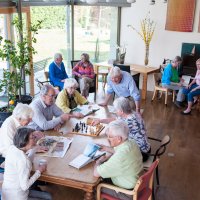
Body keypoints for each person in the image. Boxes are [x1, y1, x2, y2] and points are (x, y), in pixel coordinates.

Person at [93, 120, 143, 200]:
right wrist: (106, 148)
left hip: (127, 193)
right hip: (139, 185)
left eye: (109, 136)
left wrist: (98, 162)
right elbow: (119, 151)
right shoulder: (132, 143)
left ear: (119, 139)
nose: (108, 139)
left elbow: (96, 173)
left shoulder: (119, 157)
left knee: (94, 185)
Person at [92, 97, 150, 161]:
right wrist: (100, 120)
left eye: (116, 110)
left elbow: (110, 133)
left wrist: (108, 132)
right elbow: (115, 120)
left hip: (141, 154)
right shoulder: (133, 113)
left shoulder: (128, 122)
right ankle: (106, 149)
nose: (115, 111)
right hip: (147, 148)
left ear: (121, 111)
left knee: (116, 142)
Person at [2, 127, 52, 200]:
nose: (35, 138)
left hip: (8, 194)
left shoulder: (12, 148)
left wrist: (34, 149)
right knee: (48, 197)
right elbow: (25, 186)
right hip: (18, 196)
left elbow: (26, 161)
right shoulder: (23, 160)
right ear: (24, 141)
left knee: (48, 196)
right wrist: (39, 171)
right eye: (32, 137)